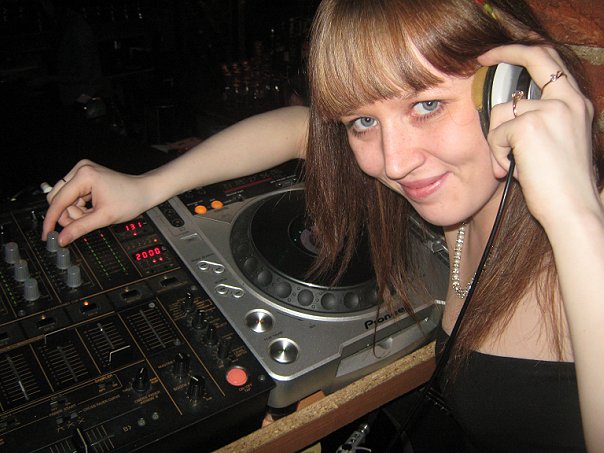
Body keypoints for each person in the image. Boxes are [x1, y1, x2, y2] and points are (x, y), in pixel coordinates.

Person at [42, 0, 603, 451]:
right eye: (363, 120)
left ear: (514, 90)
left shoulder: (587, 240)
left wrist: (575, 215)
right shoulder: (459, 190)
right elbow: (299, 128)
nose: (393, 162)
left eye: (427, 105)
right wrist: (147, 187)